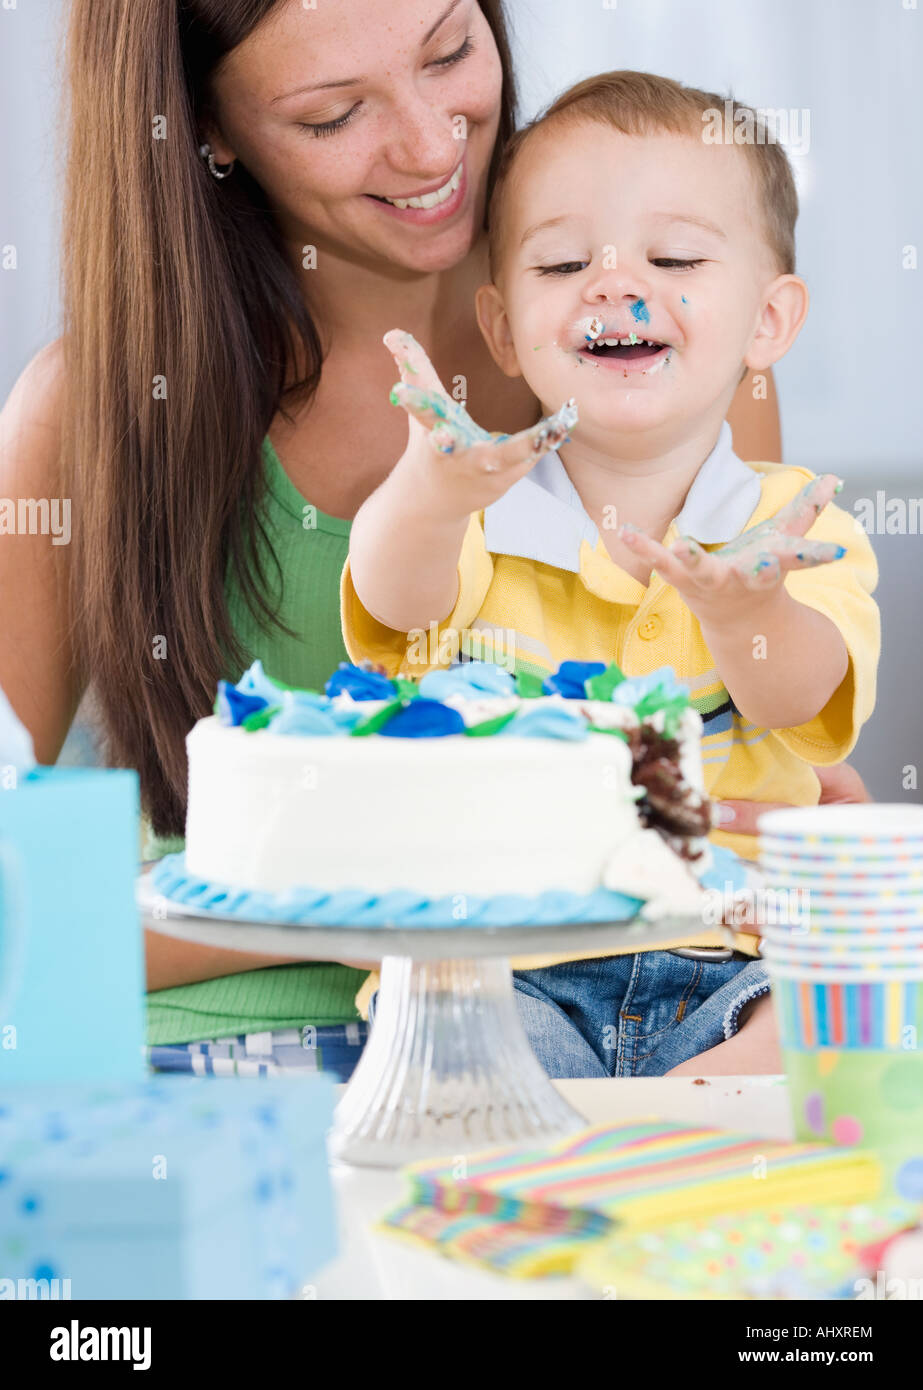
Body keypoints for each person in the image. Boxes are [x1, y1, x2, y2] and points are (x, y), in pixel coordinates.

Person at [0, 2, 863, 1078]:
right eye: (330, 115)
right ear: (204, 130)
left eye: (449, 52)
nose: (428, 145)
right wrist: (414, 903)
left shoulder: (669, 347)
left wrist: (807, 837)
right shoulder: (89, 410)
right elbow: (14, 908)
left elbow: (756, 738)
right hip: (223, 1059)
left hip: (637, 1031)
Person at [343, 71, 880, 1077]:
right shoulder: (478, 509)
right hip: (508, 962)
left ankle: (676, 1127)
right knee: (453, 1052)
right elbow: (393, 602)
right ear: (502, 328)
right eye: (559, 262)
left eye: (672, 255)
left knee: (854, 1016)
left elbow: (800, 700)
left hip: (742, 957)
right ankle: (611, 1158)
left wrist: (746, 610)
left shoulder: (794, 524)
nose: (611, 282)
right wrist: (423, 489)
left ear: (767, 321)